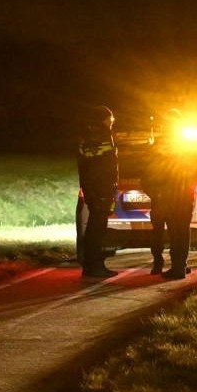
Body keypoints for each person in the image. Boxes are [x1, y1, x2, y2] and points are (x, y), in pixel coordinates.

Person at [146, 110, 197, 279]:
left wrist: (154, 192)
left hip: (163, 197)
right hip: (180, 197)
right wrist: (188, 187)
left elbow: (147, 173)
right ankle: (179, 265)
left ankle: (166, 264)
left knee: (161, 231)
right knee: (180, 231)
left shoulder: (157, 146)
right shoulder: (189, 146)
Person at [75, 105, 117, 278]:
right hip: (101, 188)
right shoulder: (103, 135)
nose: (112, 122)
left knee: (93, 226)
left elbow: (85, 165)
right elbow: (107, 164)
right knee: (97, 228)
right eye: (111, 119)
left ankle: (89, 265)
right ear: (104, 119)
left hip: (90, 187)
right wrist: (110, 186)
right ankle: (96, 266)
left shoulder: (85, 136)